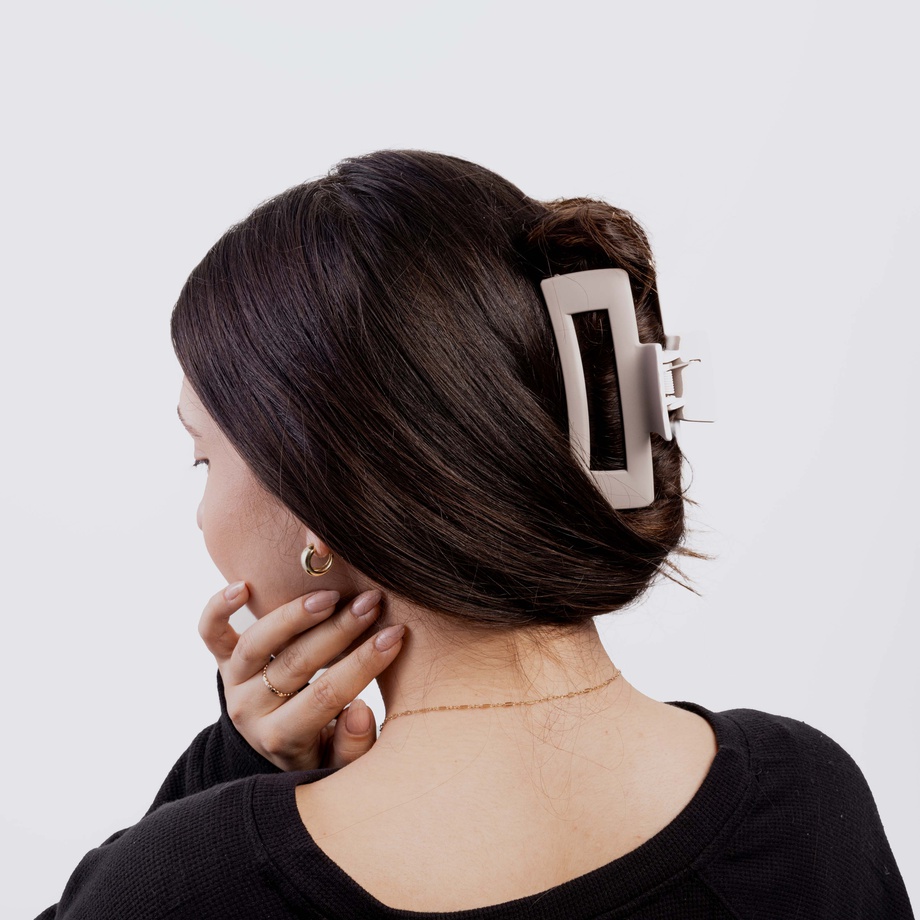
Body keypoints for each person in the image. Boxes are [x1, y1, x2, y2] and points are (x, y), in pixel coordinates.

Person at [40, 150, 913, 919]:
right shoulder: (810, 803)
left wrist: (228, 777)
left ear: (316, 488)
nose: (200, 514)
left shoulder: (184, 888)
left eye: (203, 457)